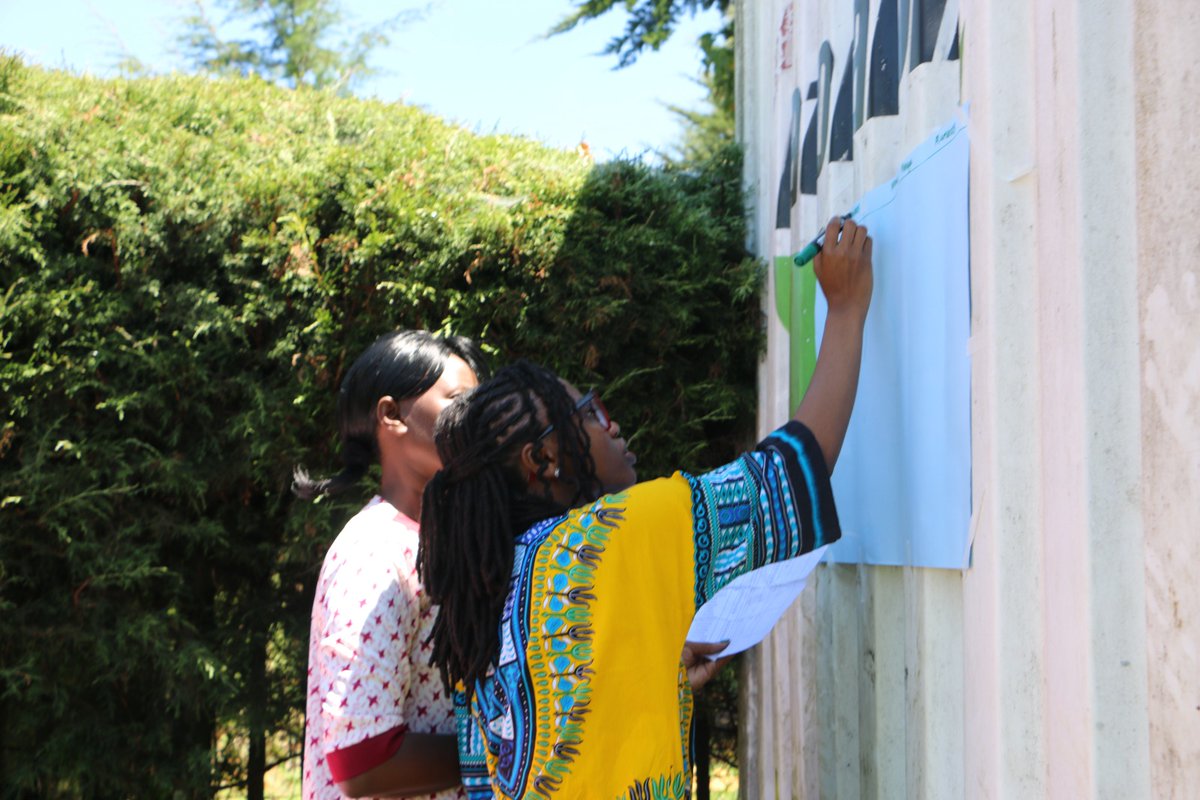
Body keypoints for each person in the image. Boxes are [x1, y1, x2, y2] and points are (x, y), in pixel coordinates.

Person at [417, 218, 873, 799]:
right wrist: (847, 307)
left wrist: (658, 666)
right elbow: (792, 470)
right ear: (543, 460)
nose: (611, 423)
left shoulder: (478, 601)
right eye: (586, 410)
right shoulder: (611, 535)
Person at [293, 330, 486, 800]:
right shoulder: (374, 553)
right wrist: (510, 746)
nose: (479, 422)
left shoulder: (440, 544)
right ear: (391, 415)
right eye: (460, 401)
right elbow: (364, 759)